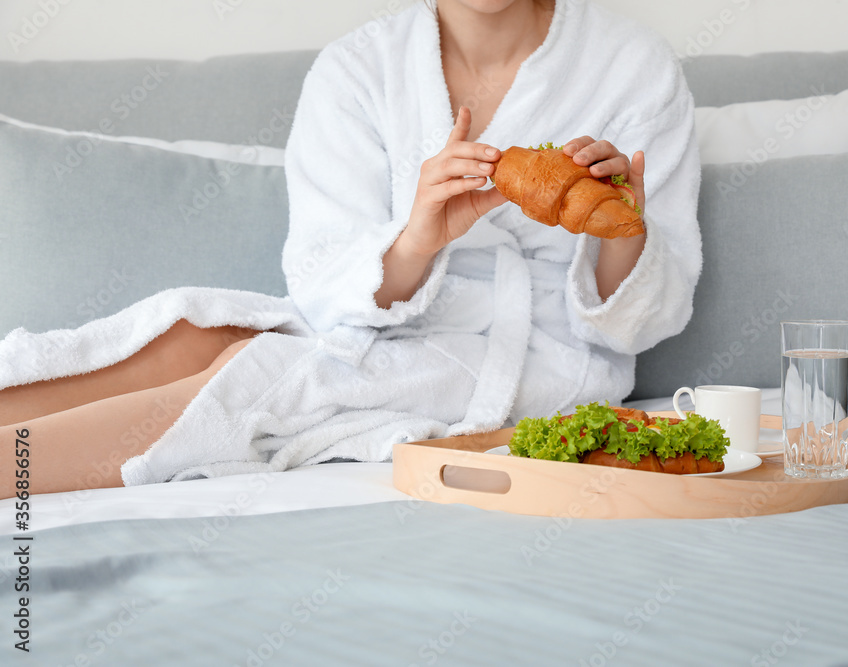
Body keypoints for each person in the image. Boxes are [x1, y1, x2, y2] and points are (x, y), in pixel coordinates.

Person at [0, 0, 701, 499]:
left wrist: (625, 226)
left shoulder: (633, 66)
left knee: (260, 370)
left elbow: (649, 317)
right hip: (378, 319)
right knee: (196, 329)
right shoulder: (357, 69)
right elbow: (318, 277)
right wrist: (420, 235)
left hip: (531, 362)